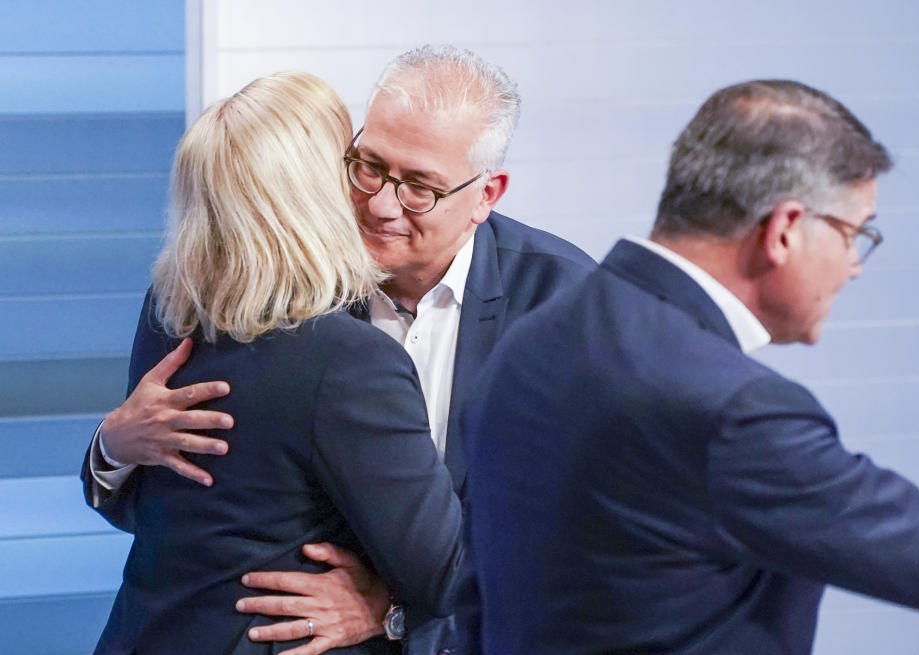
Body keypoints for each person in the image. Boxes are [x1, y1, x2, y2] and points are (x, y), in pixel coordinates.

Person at [82, 46, 595, 653]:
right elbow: (175, 515)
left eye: (419, 188)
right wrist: (113, 446)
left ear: (487, 194)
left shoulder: (568, 306)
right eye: (369, 166)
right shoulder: (222, 293)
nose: (379, 204)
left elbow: (585, 536)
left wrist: (393, 609)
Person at [461, 79, 919, 654]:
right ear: (785, 230)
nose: (854, 266)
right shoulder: (734, 411)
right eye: (855, 234)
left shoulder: (531, 342)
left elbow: (476, 602)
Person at [91, 71, 463, 655]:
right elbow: (448, 575)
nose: (371, 191)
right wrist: (388, 609)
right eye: (355, 165)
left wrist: (108, 448)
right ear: (316, 191)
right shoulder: (350, 360)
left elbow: (156, 512)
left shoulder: (172, 312)